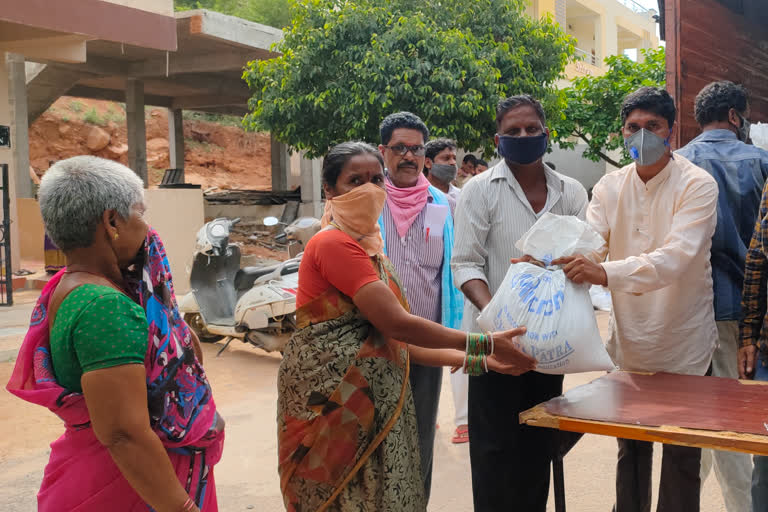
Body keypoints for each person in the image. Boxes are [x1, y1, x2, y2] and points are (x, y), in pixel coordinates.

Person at [276, 141, 536, 511]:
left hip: (365, 404)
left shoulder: (370, 251)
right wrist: (485, 344)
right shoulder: (333, 245)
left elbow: (395, 344)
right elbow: (397, 324)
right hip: (329, 405)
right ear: (330, 191)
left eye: (375, 179)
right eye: (355, 181)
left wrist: (482, 361)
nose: (369, 189)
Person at [6, 156, 224, 512]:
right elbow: (124, 434)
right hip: (128, 487)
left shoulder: (68, 285)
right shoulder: (105, 306)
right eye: (141, 213)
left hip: (97, 475)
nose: (148, 226)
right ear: (112, 222)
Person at [555, 87, 718, 512]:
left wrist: (603, 271)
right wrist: (554, 261)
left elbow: (678, 258)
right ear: (622, 132)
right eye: (633, 127)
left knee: (682, 455)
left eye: (652, 127)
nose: (641, 135)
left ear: (672, 131)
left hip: (686, 342)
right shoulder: (609, 186)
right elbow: (591, 245)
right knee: (631, 452)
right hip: (631, 342)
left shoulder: (697, 184)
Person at [451, 95, 588, 511]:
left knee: (536, 454)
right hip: (494, 349)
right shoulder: (479, 191)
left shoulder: (571, 192)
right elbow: (465, 264)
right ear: (498, 139)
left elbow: (586, 256)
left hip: (549, 349)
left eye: (531, 129)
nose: (524, 136)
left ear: (547, 134)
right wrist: (497, 324)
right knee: (494, 457)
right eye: (513, 131)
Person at [677, 80, 768, 512]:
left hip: (688, 312)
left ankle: (681, 499)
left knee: (693, 417)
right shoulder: (762, 162)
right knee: (739, 418)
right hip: (746, 314)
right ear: (735, 115)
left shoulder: (675, 164)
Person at [376, 112, 465, 501]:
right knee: (375, 439)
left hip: (424, 347)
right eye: (399, 148)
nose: (408, 156)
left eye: (416, 149)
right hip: (373, 344)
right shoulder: (367, 200)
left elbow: (453, 271)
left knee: (420, 440)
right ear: (384, 152)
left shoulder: (443, 205)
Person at [424, 138, 461, 205]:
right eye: (446, 158)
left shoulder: (461, 195)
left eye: (454, 158)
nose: (453, 162)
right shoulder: (417, 195)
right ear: (428, 163)